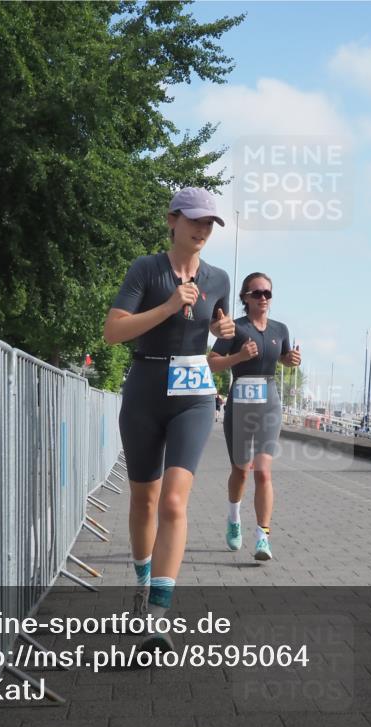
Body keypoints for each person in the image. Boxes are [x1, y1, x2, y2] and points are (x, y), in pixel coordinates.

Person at [103, 187, 234, 650]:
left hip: (194, 394)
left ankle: (157, 618)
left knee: (174, 502)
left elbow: (217, 331)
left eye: (209, 223)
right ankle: (142, 586)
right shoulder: (146, 269)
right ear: (172, 220)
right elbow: (113, 331)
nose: (202, 230)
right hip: (145, 386)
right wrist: (167, 306)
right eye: (195, 220)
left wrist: (222, 331)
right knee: (144, 500)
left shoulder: (219, 278)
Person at [208, 272, 301, 562]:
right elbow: (212, 363)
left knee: (263, 471)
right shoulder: (235, 328)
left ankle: (263, 536)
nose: (263, 298)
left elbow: (282, 356)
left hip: (269, 402)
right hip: (240, 403)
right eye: (257, 293)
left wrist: (290, 360)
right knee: (240, 470)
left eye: (267, 293)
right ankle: (234, 518)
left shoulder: (280, 329)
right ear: (245, 297)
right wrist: (239, 357)